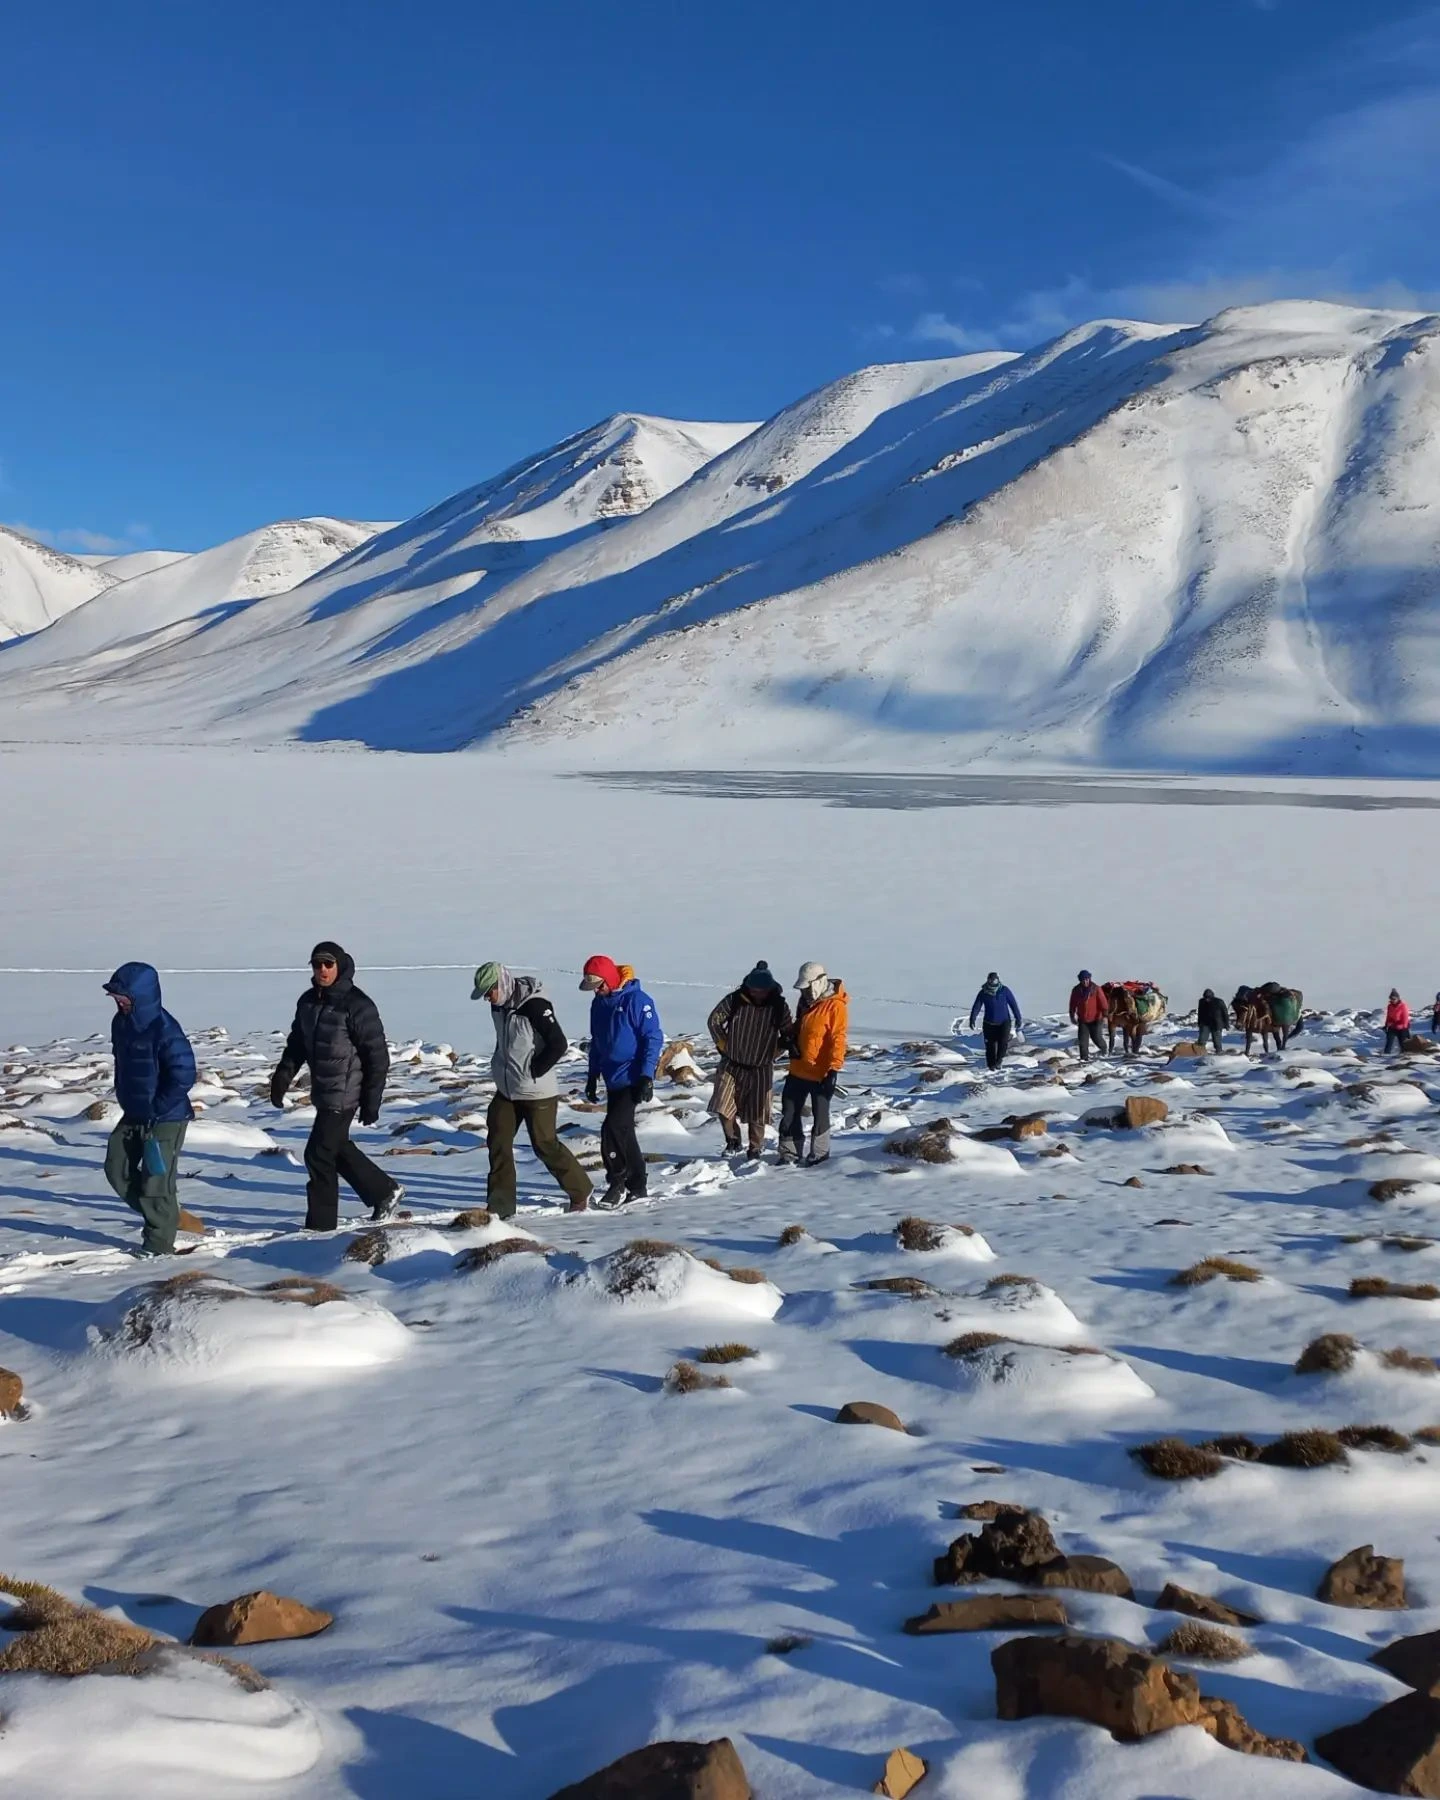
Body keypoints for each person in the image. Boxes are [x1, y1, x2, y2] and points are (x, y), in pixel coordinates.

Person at [270, 941, 400, 1232]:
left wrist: (371, 1100)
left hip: (346, 1093)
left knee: (317, 1154)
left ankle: (320, 1227)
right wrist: (282, 1077)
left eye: (328, 964)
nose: (322, 970)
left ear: (340, 966)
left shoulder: (357, 1005)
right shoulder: (308, 1002)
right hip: (324, 1091)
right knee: (336, 1147)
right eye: (317, 964)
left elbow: (377, 1057)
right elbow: (297, 1045)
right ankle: (383, 1191)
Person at [473, 961, 591, 1217]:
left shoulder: (535, 1006)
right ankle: (500, 1208)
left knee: (544, 1144)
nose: (486, 998)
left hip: (537, 1092)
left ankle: (580, 1191)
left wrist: (534, 1070)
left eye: (487, 992)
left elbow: (558, 1043)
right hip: (507, 1089)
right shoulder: (499, 1005)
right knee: (498, 1141)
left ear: (500, 984)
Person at [102, 962, 197, 1257]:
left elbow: (184, 1073)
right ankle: (166, 1214)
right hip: (134, 1113)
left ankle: (159, 1247)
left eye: (123, 998)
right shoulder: (120, 1023)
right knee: (116, 1169)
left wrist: (158, 1107)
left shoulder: (165, 1029)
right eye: (116, 998)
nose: (119, 1003)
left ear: (142, 996)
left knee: (156, 1182)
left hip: (166, 1118)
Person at [582, 955, 664, 1207]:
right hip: (612, 1077)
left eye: (599, 984)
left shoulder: (637, 1001)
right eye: (592, 987)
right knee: (624, 1132)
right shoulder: (598, 1005)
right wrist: (593, 1074)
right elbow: (597, 1041)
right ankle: (638, 1186)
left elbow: (653, 1038)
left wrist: (646, 1076)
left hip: (634, 1076)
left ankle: (617, 1183)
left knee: (612, 1129)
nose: (597, 990)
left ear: (610, 978)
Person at [707, 961, 793, 1158]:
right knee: (722, 1105)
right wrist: (722, 1044)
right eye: (754, 990)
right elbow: (714, 1020)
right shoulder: (735, 1000)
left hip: (760, 1067)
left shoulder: (779, 1006)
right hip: (731, 1063)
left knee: (758, 1111)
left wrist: (778, 1049)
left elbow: (788, 1032)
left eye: (762, 990)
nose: (758, 994)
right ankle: (733, 1141)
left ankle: (755, 1148)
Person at [779, 961, 847, 1166]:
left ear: (819, 982)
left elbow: (838, 1038)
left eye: (808, 987)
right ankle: (789, 1153)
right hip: (798, 1069)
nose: (806, 992)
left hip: (821, 1073)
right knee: (789, 1111)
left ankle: (819, 1154)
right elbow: (802, 1028)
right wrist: (790, 1039)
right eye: (803, 988)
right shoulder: (804, 1003)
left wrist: (834, 1069)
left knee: (820, 1114)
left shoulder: (835, 1006)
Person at [968, 972, 1022, 1071]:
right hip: (989, 1023)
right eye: (991, 980)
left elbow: (1013, 1005)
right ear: (988, 980)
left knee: (1003, 1043)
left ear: (998, 980)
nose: (993, 982)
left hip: (1004, 1022)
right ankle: (991, 1065)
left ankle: (999, 1061)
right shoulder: (983, 993)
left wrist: (1018, 1018)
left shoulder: (1004, 991)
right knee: (990, 1046)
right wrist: (972, 1018)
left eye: (995, 980)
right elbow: (977, 1006)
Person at [1068, 970, 1109, 1062]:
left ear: (1089, 979)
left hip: (1096, 1019)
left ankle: (1104, 1050)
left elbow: (1103, 1003)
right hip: (1083, 1020)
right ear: (1080, 980)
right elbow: (1072, 1004)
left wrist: (1105, 1015)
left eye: (1087, 979)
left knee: (1097, 1038)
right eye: (1083, 980)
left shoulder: (1096, 989)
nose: (1085, 981)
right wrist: (1072, 1015)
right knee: (1083, 1041)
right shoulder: (1076, 990)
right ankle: (1084, 1059)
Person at [1197, 988, 1230, 1054]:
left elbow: (1225, 1013)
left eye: (1208, 998)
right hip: (1205, 1023)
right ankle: (1199, 1052)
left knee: (1217, 1040)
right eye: (1205, 997)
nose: (1207, 999)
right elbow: (1200, 1012)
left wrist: (1226, 1024)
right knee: (1202, 1039)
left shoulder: (1219, 1002)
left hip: (1217, 1024)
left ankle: (1219, 1052)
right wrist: (1199, 1022)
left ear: (1212, 996)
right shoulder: (1201, 1001)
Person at [1385, 989, 1411, 1055]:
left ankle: (1404, 1055)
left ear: (1398, 998)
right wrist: (1386, 1025)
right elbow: (1388, 1016)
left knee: (1403, 1043)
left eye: (1394, 999)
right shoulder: (1390, 1006)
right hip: (1393, 1026)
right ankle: (1385, 1055)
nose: (1392, 1000)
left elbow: (1405, 1019)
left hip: (1402, 1027)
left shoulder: (1403, 1006)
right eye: (1391, 999)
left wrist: (1402, 1026)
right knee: (1389, 1042)